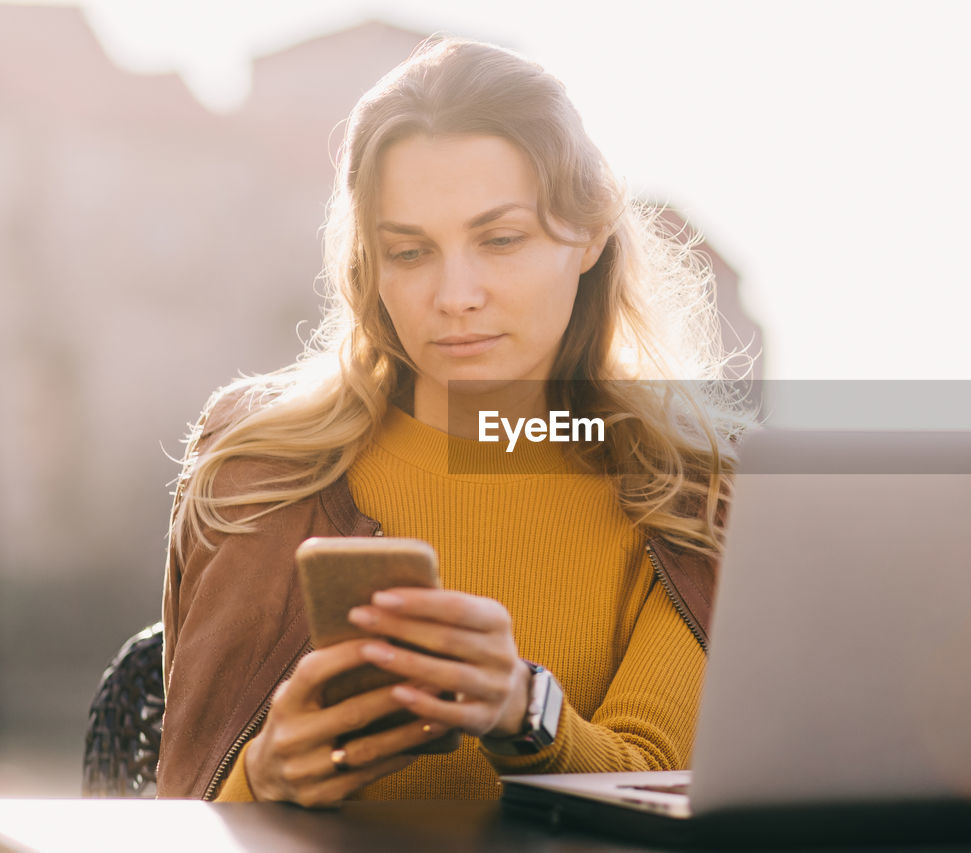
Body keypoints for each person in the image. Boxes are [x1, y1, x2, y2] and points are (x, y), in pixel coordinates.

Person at [156, 36, 749, 805]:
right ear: (370, 262)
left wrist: (521, 710)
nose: (455, 294)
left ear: (590, 233)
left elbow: (650, 777)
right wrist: (263, 778)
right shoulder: (255, 467)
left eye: (500, 239)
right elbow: (184, 805)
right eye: (410, 252)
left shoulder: (694, 491)